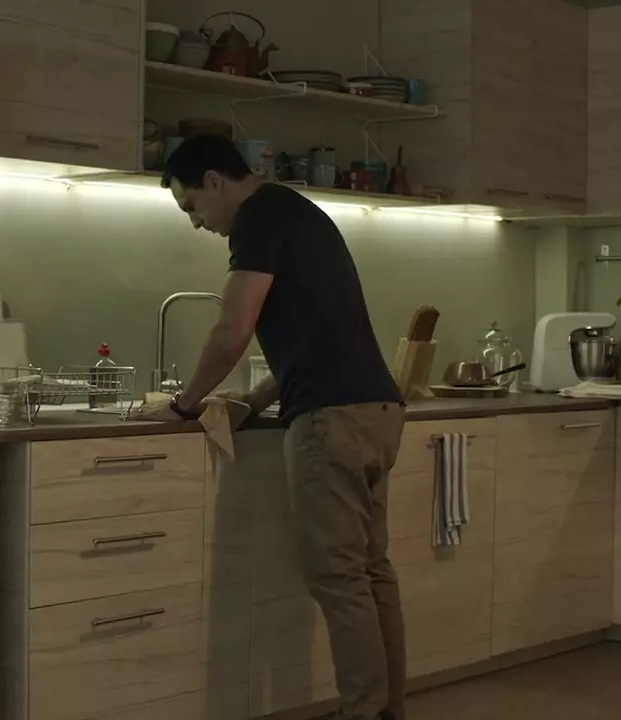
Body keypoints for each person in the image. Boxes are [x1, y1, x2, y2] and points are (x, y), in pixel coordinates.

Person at [161, 134, 407, 720]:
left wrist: (184, 405)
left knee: (340, 578)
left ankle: (365, 712)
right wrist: (252, 399)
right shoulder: (297, 212)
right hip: (376, 409)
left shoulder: (258, 218)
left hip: (330, 419)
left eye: (192, 205)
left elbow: (232, 329)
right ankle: (387, 709)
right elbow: (317, 337)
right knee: (370, 573)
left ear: (215, 182)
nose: (196, 222)